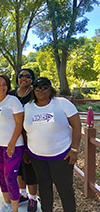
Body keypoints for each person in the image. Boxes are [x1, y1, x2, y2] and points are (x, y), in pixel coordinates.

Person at [23, 77, 81, 212]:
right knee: (43, 188)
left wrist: (74, 149)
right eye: (37, 87)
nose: (41, 90)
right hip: (37, 156)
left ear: (51, 89)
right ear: (33, 90)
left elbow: (77, 125)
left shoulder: (62, 104)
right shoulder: (27, 107)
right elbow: (24, 131)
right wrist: (26, 150)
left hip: (61, 155)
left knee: (64, 188)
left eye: (45, 87)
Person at [0, 74, 24, 212]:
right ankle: (7, 204)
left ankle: (15, 210)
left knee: (10, 177)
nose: (1, 87)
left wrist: (12, 143)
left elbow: (20, 123)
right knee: (1, 175)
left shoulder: (12, 101)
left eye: (4, 84)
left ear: (7, 86)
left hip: (13, 145)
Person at [9, 68, 38, 211]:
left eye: (27, 76)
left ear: (32, 79)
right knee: (18, 169)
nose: (24, 78)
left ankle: (33, 199)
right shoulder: (11, 95)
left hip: (29, 136)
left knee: (29, 168)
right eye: (21, 76)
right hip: (14, 136)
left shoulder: (35, 94)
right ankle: (24, 194)